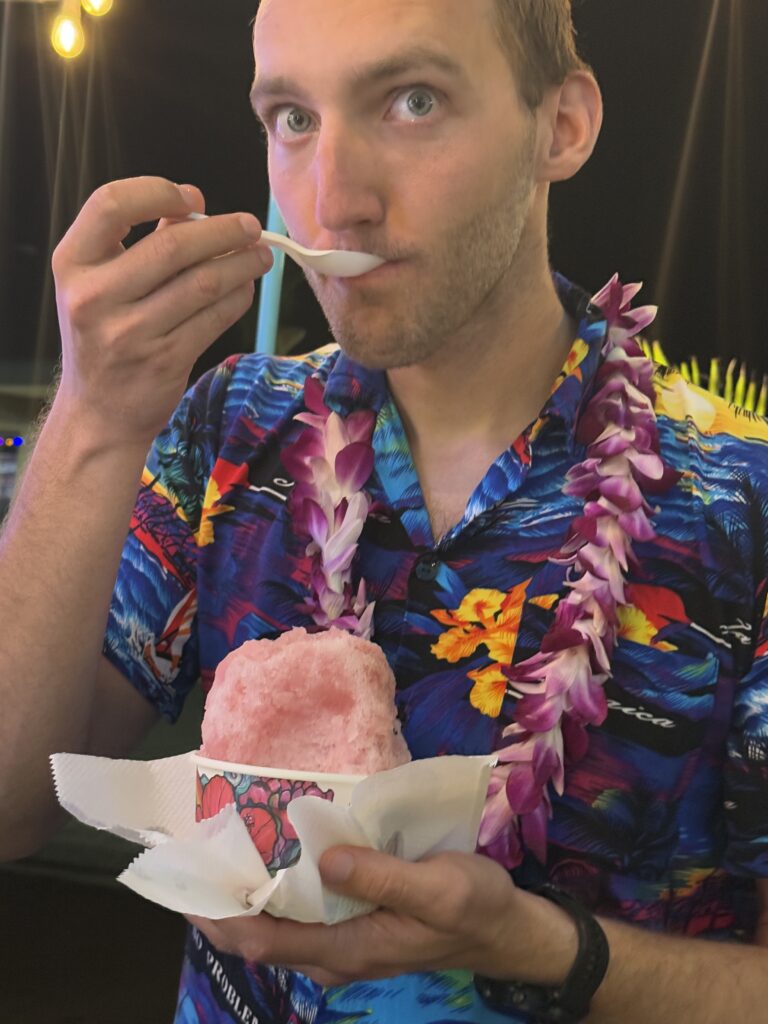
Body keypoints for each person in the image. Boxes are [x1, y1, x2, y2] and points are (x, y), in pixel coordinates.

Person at [2, 0, 768, 1021]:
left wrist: (552, 950)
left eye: (413, 101)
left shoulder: (738, 503)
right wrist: (92, 417)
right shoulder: (232, 431)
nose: (334, 201)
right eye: (294, 118)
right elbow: (9, 801)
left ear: (563, 126)